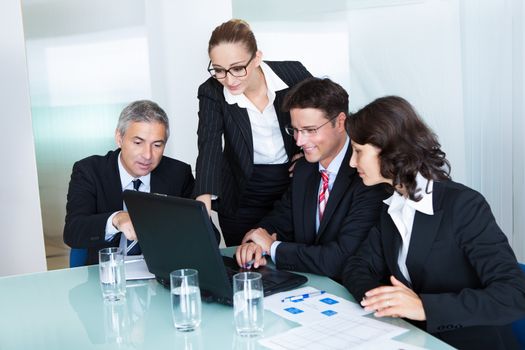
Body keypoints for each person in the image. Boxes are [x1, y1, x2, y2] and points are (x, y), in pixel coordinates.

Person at [342, 95, 525, 350]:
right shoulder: (392, 205)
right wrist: (387, 302)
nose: (352, 162)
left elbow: (513, 295)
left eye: (358, 151)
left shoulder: (463, 206)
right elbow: (357, 267)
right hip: (413, 339)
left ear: (389, 149)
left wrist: (422, 307)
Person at [235, 78, 386, 280]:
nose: (299, 141)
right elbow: (281, 219)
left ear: (340, 122)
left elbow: (343, 258)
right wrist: (256, 243)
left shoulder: (368, 174)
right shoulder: (304, 169)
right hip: (310, 287)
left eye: (310, 130)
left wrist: (272, 247)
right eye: (295, 130)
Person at [194, 19, 313, 246]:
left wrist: (308, 156)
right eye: (219, 70)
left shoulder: (293, 74)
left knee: (291, 263)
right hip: (241, 198)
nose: (229, 80)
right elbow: (208, 145)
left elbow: (329, 110)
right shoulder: (211, 91)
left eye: (238, 68)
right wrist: (202, 209)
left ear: (257, 57)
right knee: (245, 269)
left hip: (292, 189)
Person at [63, 100, 196, 265]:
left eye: (157, 145)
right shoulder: (89, 171)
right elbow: (73, 231)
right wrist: (116, 219)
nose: (148, 155)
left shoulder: (178, 173)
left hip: (161, 273)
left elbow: (208, 234)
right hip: (109, 275)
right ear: (119, 138)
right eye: (138, 143)